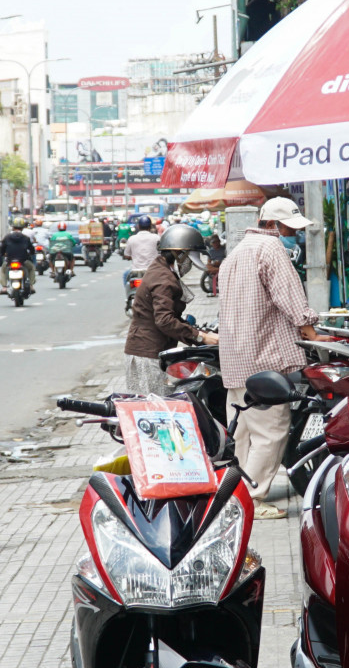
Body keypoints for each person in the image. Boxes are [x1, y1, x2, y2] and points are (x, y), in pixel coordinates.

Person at [218, 196, 318, 500]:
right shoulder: (271, 249)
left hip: (235, 358)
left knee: (242, 434)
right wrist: (312, 333)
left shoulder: (236, 252)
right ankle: (252, 498)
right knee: (271, 430)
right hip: (263, 359)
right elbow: (290, 299)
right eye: (290, 228)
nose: (294, 235)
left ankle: (232, 495)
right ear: (273, 225)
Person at [124, 223, 216, 394]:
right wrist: (201, 337)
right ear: (179, 254)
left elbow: (171, 316)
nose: (189, 263)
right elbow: (164, 320)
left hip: (152, 349)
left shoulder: (162, 268)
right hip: (147, 353)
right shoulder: (163, 278)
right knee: (155, 408)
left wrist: (199, 336)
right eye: (189, 257)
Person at [0, 218, 37, 293]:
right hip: (23, 261)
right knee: (32, 267)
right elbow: (31, 249)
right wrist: (32, 253)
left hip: (9, 261)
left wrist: (2, 254)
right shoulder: (26, 238)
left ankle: (4, 287)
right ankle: (31, 286)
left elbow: (2, 248)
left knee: (3, 270)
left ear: (13, 227)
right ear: (23, 227)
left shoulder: (7, 237)